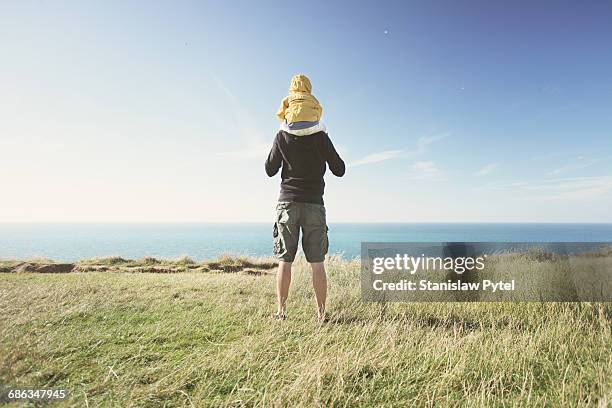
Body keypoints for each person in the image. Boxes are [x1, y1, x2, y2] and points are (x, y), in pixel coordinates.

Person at [266, 74, 345, 322]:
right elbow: (339, 169)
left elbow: (269, 169)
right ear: (310, 97)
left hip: (287, 202)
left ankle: (281, 313)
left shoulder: (281, 136)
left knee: (284, 262)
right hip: (314, 204)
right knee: (317, 263)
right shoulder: (321, 136)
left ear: (289, 100)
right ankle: (321, 315)